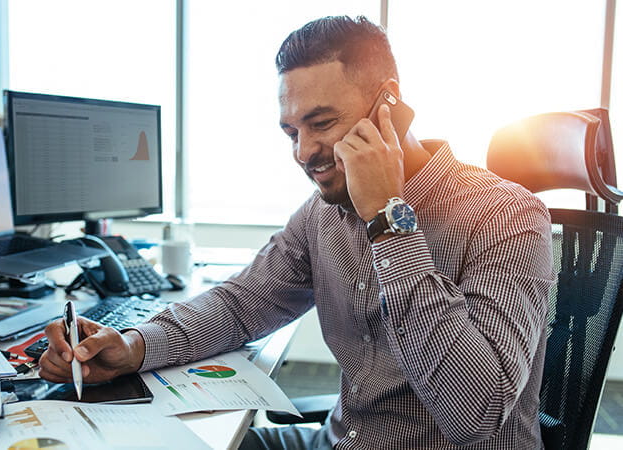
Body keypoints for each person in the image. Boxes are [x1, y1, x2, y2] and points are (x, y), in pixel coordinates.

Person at [39, 15, 554, 449]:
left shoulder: (505, 215)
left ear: (387, 105)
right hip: (340, 439)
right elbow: (242, 304)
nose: (303, 153)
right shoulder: (321, 214)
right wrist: (134, 345)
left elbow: (478, 408)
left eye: (322, 123)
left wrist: (386, 218)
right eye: (291, 131)